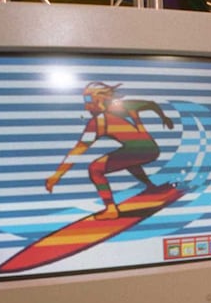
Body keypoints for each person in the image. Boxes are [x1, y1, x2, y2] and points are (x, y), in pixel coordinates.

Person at [46, 81, 174, 220]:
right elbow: (152, 105)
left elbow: (78, 150)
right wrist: (163, 117)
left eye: (88, 100)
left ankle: (111, 209)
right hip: (151, 148)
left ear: (98, 100)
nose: (85, 105)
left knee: (95, 169)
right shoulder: (114, 112)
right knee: (126, 159)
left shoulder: (98, 122)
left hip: (140, 150)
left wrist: (57, 176)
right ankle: (151, 187)